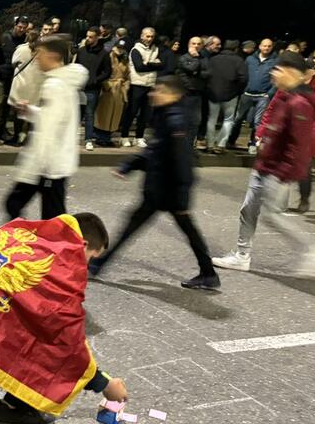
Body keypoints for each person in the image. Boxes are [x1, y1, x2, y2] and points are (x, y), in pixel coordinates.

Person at [0, 213, 130, 424]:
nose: (87, 266)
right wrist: (104, 383)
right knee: (38, 344)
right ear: (83, 243)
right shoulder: (62, 269)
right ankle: (14, 408)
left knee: (5, 321)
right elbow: (67, 344)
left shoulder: (17, 232)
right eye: (91, 257)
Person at [89, 77, 220, 290]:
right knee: (133, 226)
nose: (153, 93)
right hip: (159, 189)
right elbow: (155, 151)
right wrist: (128, 166)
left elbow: (181, 160)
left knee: (178, 230)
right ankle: (98, 264)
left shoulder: (175, 120)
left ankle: (208, 273)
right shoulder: (166, 114)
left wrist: (182, 198)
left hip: (168, 191)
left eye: (160, 90)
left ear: (173, 95)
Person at [213, 52, 315, 277]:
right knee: (248, 209)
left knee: (273, 216)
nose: (273, 73)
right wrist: (263, 136)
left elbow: (298, 146)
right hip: (265, 164)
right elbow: (272, 119)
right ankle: (242, 256)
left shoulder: (300, 102)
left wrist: (283, 174)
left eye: (278, 69)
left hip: (276, 171)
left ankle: (314, 250)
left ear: (291, 72)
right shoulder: (286, 95)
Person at [6, 36, 87, 219]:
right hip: (51, 165)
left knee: (46, 217)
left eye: (40, 54)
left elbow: (51, 130)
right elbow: (52, 117)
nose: (36, 58)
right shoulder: (63, 82)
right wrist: (29, 111)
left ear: (52, 56)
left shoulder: (55, 85)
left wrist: (37, 166)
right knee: (49, 216)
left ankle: (22, 243)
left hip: (48, 166)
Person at [285, 63, 315, 213]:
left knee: (303, 170)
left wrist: (311, 136)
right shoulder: (292, 86)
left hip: (306, 138)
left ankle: (304, 199)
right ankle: (277, 201)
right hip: (287, 134)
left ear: (313, 73)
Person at [227, 38, 277, 154]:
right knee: (238, 118)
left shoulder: (275, 61)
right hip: (247, 94)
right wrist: (243, 89)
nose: (267, 48)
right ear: (260, 46)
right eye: (264, 45)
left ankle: (253, 144)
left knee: (257, 122)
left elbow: (276, 80)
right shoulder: (250, 59)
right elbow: (243, 75)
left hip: (262, 96)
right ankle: (231, 140)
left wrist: (268, 94)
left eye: (269, 46)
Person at [204, 39, 247, 153]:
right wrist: (237, 91)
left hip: (213, 93)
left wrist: (209, 89)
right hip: (231, 94)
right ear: (236, 49)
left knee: (211, 119)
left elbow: (207, 75)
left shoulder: (213, 59)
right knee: (228, 120)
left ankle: (210, 144)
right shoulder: (239, 60)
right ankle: (221, 144)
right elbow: (244, 79)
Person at [120, 27, 161, 147]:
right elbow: (139, 67)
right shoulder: (135, 50)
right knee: (131, 112)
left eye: (152, 37)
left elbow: (161, 65)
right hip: (136, 85)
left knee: (145, 114)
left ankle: (139, 137)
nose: (149, 39)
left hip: (150, 85)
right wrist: (153, 65)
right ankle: (124, 136)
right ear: (142, 36)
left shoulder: (155, 49)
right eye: (147, 36)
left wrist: (148, 64)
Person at [75, 26, 112, 151]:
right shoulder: (81, 51)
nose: (88, 38)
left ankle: (88, 139)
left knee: (89, 114)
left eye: (91, 37)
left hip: (93, 88)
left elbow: (107, 72)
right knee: (76, 113)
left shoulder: (104, 54)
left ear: (97, 37)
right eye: (87, 36)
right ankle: (71, 137)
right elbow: (76, 66)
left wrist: (95, 80)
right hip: (80, 87)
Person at [175, 36, 209, 149]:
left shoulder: (204, 58)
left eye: (198, 44)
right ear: (189, 44)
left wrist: (196, 73)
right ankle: (180, 146)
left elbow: (208, 73)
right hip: (185, 92)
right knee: (184, 120)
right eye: (193, 43)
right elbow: (191, 69)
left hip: (198, 93)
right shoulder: (183, 58)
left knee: (195, 121)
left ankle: (189, 146)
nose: (196, 46)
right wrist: (195, 59)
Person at [94, 40, 130, 146]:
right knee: (104, 114)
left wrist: (126, 86)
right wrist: (107, 86)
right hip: (108, 89)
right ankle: (100, 137)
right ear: (114, 47)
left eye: (122, 48)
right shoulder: (107, 57)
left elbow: (127, 75)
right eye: (118, 47)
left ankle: (108, 137)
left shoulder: (125, 60)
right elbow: (101, 72)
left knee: (115, 115)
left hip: (120, 90)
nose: (120, 50)